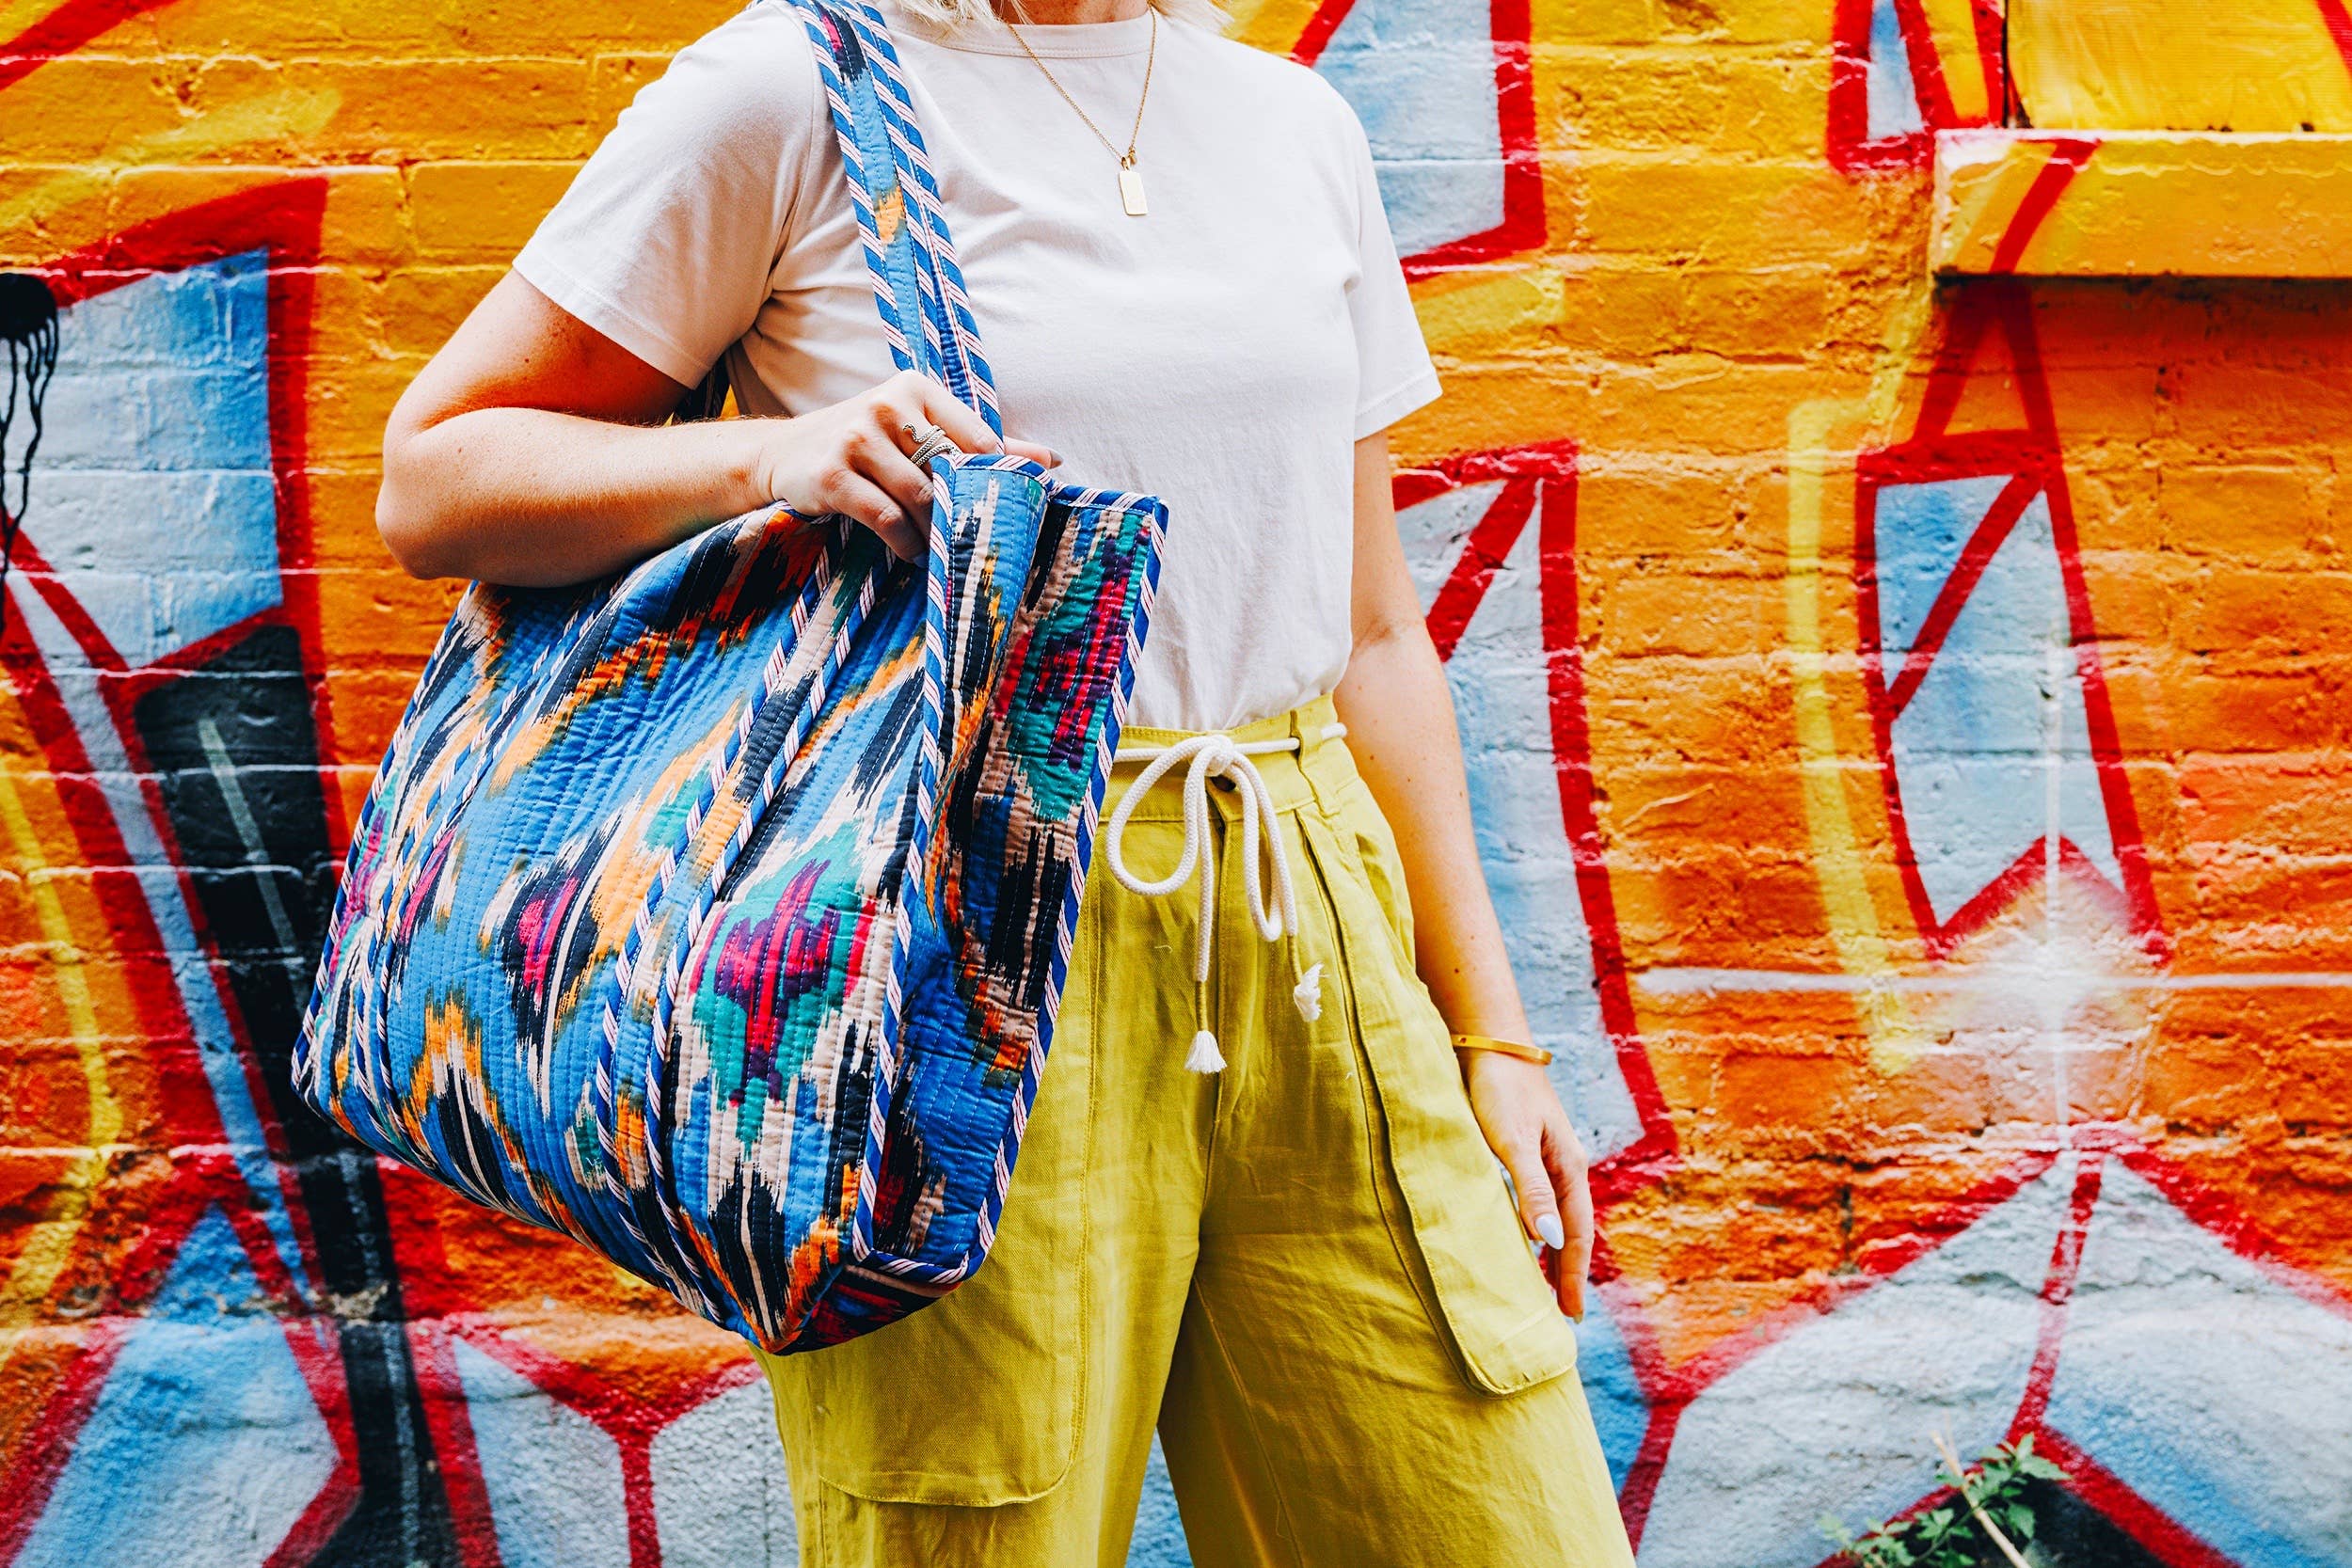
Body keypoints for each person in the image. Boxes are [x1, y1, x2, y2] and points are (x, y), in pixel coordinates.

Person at [373, 0, 1637, 1561]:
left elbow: (1376, 631)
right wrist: (769, 461)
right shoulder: (794, 89)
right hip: (955, 926)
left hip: (1309, 907)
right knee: (979, 1530)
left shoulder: (1295, 125)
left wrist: (1493, 1035)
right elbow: (436, 475)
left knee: (1496, 1513)